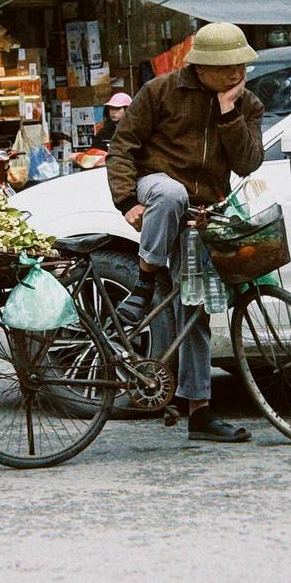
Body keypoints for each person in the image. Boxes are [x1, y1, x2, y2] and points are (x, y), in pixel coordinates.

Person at [107, 23, 264, 444]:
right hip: (156, 190)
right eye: (226, 67)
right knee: (172, 192)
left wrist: (229, 113)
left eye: (239, 66)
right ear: (202, 68)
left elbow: (248, 163)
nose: (235, 73)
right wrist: (127, 200)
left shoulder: (247, 104)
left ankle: (199, 411)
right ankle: (144, 282)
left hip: (203, 212)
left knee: (194, 311)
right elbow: (123, 148)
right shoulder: (161, 91)